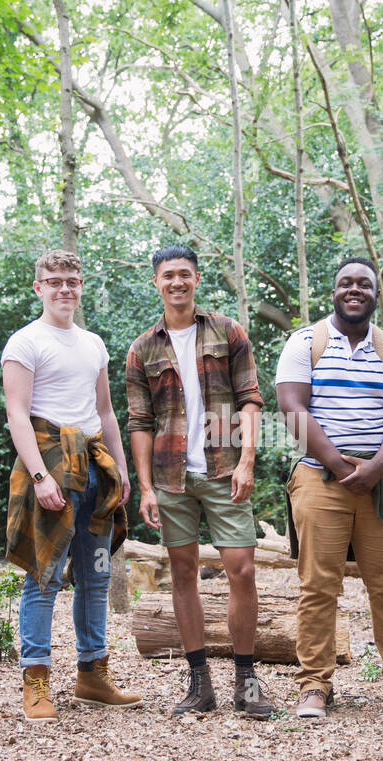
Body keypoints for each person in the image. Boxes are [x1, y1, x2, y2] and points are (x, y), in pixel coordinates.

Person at [125, 244, 271, 718]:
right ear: (157, 282)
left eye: (184, 274)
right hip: (171, 477)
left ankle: (247, 683)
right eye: (168, 276)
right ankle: (199, 684)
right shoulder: (142, 348)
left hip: (224, 467)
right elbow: (140, 422)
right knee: (183, 573)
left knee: (241, 571)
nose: (177, 283)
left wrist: (247, 460)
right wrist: (144, 485)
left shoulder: (228, 331)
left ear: (196, 278)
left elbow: (250, 399)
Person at [275, 256, 383, 717]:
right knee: (318, 585)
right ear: (333, 292)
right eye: (345, 283)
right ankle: (314, 685)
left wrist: (376, 467)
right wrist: (339, 465)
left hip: (380, 481)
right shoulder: (304, 343)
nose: (354, 289)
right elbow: (292, 406)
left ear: (376, 295)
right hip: (319, 476)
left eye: (364, 284)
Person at [2, 250, 140, 723]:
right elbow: (17, 414)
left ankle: (92, 674)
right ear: (37, 287)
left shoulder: (94, 344)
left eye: (73, 281)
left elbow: (105, 413)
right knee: (44, 576)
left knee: (97, 575)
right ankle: (35, 681)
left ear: (81, 286)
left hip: (95, 471)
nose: (65, 288)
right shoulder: (25, 342)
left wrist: (120, 470)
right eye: (54, 281)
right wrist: (40, 476)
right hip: (49, 465)